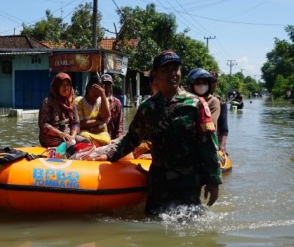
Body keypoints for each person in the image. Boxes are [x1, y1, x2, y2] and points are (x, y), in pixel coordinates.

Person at [93, 50, 222, 215]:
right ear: (154, 74)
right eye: (166, 70)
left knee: (188, 230)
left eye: (176, 69)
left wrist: (213, 180)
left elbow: (209, 143)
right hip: (158, 182)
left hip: (188, 182)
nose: (172, 74)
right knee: (154, 223)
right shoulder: (148, 108)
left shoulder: (196, 104)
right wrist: (110, 155)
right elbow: (132, 138)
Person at [187, 68, 229, 154]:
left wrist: (222, 145)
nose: (201, 86)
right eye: (198, 83)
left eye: (204, 83)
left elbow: (220, 127)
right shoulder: (184, 100)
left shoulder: (216, 101)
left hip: (207, 144)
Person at [38, 72, 85, 148]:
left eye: (67, 85)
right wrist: (61, 134)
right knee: (70, 146)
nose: (65, 87)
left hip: (68, 136)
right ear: (57, 86)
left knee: (85, 143)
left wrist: (72, 137)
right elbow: (43, 125)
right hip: (52, 137)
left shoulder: (71, 101)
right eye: (62, 85)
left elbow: (76, 123)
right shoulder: (48, 102)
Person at [75, 75, 111, 146]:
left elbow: (106, 118)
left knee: (106, 139)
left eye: (99, 90)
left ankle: (93, 145)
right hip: (86, 133)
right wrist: (98, 121)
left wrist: (103, 95)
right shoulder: (78, 101)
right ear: (88, 88)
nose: (97, 93)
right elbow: (81, 124)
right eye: (95, 89)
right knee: (84, 137)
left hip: (100, 133)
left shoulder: (103, 100)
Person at [101, 73, 124, 141]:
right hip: (100, 136)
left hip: (113, 137)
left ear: (112, 85)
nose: (106, 86)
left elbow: (120, 123)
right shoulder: (97, 100)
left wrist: (118, 139)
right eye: (104, 83)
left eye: (109, 83)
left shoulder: (117, 102)